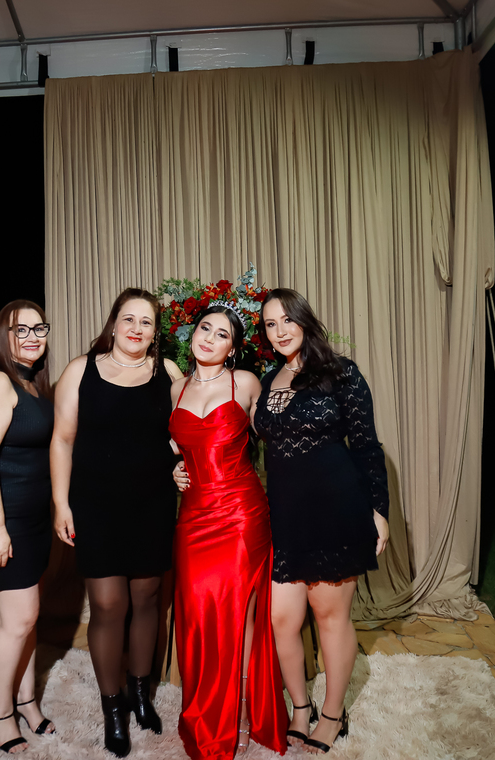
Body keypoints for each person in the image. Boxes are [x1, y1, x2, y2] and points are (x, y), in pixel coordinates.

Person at [174, 289, 390, 755]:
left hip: (336, 512)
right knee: (280, 620)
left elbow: (367, 447)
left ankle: (332, 714)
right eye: (270, 324)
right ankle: (299, 708)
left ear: (304, 321)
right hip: (284, 515)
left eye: (287, 319)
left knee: (329, 618)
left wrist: (379, 510)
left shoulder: (341, 373)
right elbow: (224, 437)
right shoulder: (267, 380)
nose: (280, 330)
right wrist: (180, 465)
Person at [50, 288, 184, 758]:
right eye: (129, 319)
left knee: (148, 599)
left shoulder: (168, 373)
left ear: (155, 332)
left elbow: (185, 433)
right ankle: (113, 710)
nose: (136, 328)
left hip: (152, 502)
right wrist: (61, 503)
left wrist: (180, 463)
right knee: (108, 605)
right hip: (95, 505)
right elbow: (62, 440)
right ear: (113, 322)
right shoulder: (80, 370)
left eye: (146, 322)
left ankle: (140, 695)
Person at [168, 303, 288, 759]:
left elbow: (279, 438)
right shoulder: (176, 388)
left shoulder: (247, 383)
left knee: (238, 614)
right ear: (193, 333)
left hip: (240, 514)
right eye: (205, 328)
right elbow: (174, 446)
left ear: (233, 349)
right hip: (193, 518)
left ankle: (240, 712)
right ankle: (206, 713)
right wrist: (173, 468)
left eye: (222, 335)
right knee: (199, 615)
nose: (210, 339)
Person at [0, 301, 58, 754]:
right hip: (3, 521)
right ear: (3, 336)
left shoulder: (32, 384)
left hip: (33, 520)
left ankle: (26, 701)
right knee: (17, 621)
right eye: (21, 330)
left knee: (28, 618)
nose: (33, 337)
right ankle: (0, 713)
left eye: (39, 328)